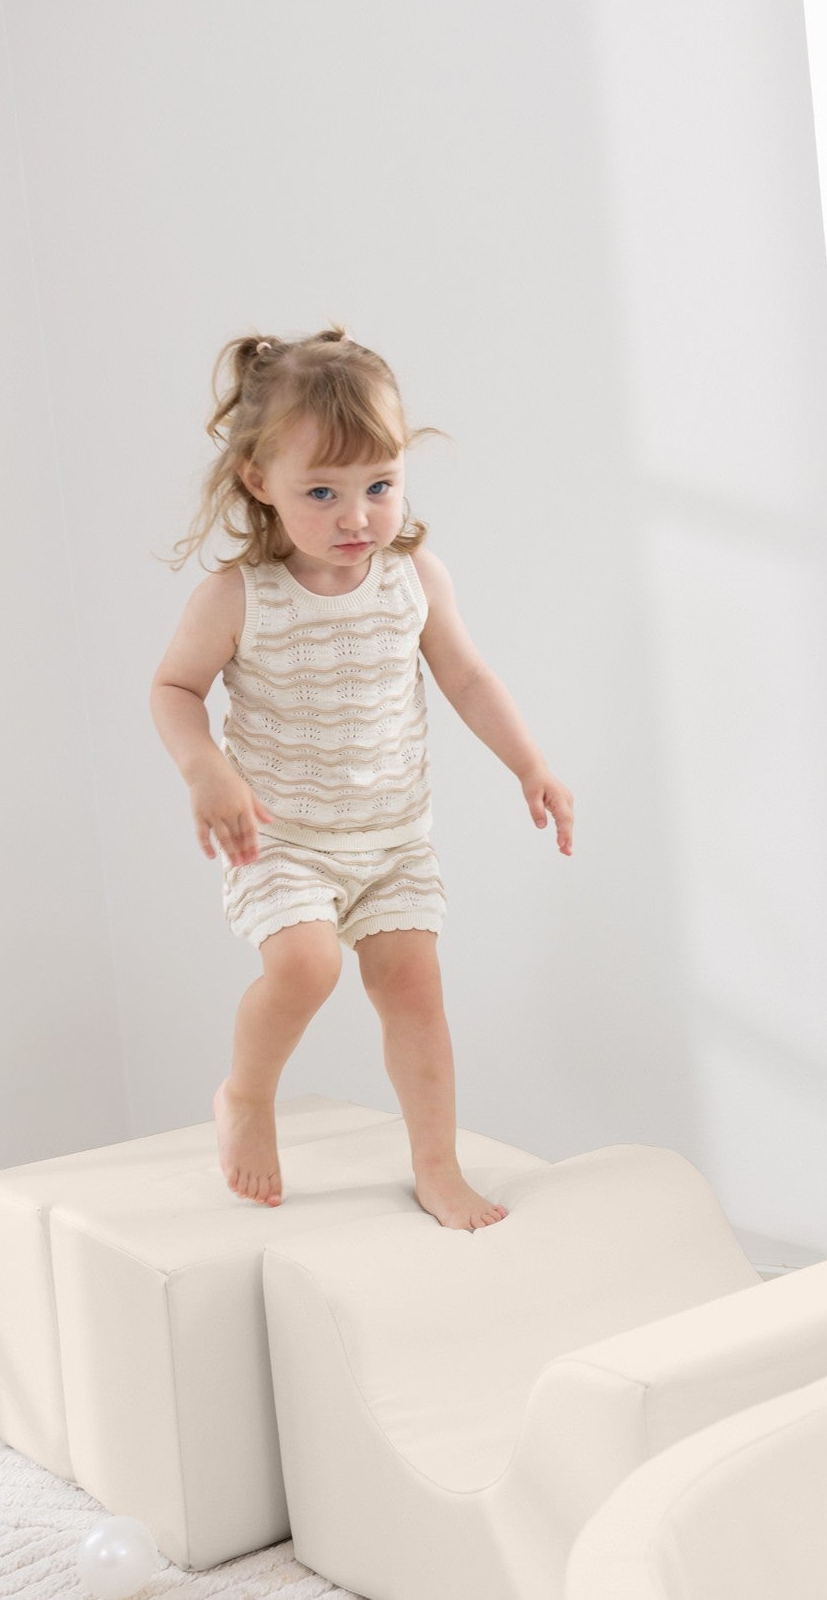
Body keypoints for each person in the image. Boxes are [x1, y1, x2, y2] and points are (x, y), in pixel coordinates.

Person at [148, 328, 572, 1230]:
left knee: (414, 987)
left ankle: (436, 1164)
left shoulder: (413, 575)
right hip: (280, 836)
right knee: (305, 964)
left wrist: (530, 764)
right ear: (260, 483)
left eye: (380, 486)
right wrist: (205, 768)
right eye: (323, 493)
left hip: (392, 838)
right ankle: (248, 1096)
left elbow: (466, 676)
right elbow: (174, 688)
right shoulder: (237, 597)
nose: (357, 517)